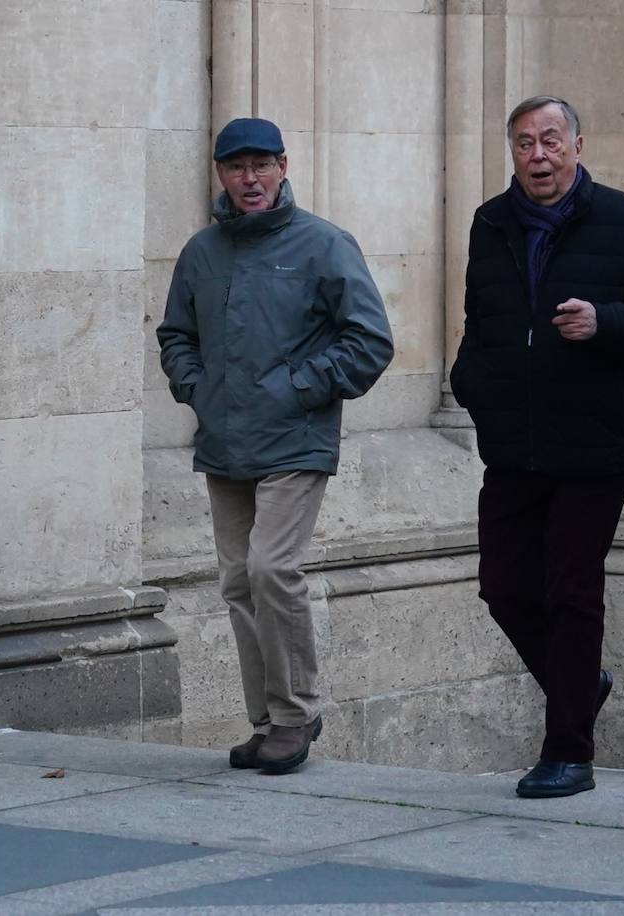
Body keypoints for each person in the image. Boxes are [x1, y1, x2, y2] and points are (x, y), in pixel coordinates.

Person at [450, 95, 624, 799]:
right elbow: (479, 319)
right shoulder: (490, 222)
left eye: (551, 140)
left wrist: (606, 321)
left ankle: (569, 751)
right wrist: (472, 384)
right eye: (524, 143)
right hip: (513, 444)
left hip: (595, 444)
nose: (538, 156)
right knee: (503, 586)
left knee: (573, 591)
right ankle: (584, 685)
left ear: (578, 144)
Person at [157, 118, 393, 775]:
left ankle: (296, 714)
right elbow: (175, 334)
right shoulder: (202, 252)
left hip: (296, 437)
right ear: (220, 175)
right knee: (237, 581)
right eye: (237, 168)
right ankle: (265, 721)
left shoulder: (323, 244)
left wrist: (295, 388)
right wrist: (199, 389)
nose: (250, 179)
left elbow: (370, 341)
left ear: (284, 166)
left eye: (262, 165)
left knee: (271, 569)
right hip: (225, 438)